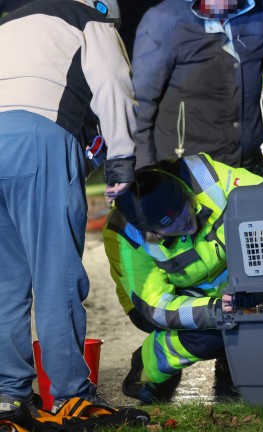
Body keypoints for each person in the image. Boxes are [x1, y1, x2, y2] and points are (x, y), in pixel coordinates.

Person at [0, 0, 136, 416]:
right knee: (56, 273)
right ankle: (71, 395)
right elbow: (113, 83)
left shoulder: (9, 23)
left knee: (6, 282)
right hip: (37, 137)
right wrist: (122, 159)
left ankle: (9, 397)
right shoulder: (89, 19)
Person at [103, 153, 263, 404]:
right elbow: (156, 305)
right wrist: (214, 310)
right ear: (150, 232)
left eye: (183, 211)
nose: (184, 225)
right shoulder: (124, 233)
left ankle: (230, 354)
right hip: (161, 304)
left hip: (225, 283)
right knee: (209, 335)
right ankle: (148, 365)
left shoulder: (204, 175)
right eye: (170, 226)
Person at [131, 0, 263, 171]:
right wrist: (144, 168)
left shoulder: (258, 11)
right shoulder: (163, 19)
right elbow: (140, 101)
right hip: (189, 169)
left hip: (249, 162)